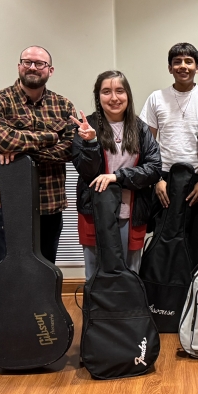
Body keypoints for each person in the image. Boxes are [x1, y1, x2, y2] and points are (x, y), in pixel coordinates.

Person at [0, 46, 77, 266]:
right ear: (19, 66)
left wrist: (23, 152)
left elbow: (69, 149)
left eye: (40, 64)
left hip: (49, 206)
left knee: (45, 273)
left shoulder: (64, 105)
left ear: (50, 70)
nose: (32, 67)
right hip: (7, 206)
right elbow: (2, 141)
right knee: (6, 274)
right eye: (27, 62)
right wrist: (51, 136)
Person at [72, 71, 161, 277]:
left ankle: (129, 310)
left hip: (132, 213)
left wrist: (117, 177)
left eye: (119, 91)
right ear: (98, 97)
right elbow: (86, 172)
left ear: (127, 95)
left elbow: (154, 168)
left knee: (131, 272)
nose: (114, 98)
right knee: (95, 273)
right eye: (106, 92)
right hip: (94, 212)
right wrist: (91, 142)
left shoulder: (139, 128)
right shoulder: (86, 127)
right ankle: (95, 310)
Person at [138, 43, 198, 265]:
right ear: (170, 67)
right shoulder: (156, 98)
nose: (183, 66)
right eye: (177, 62)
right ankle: (166, 294)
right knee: (166, 239)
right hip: (165, 179)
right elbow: (148, 144)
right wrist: (157, 180)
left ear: (197, 67)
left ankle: (194, 294)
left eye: (188, 61)